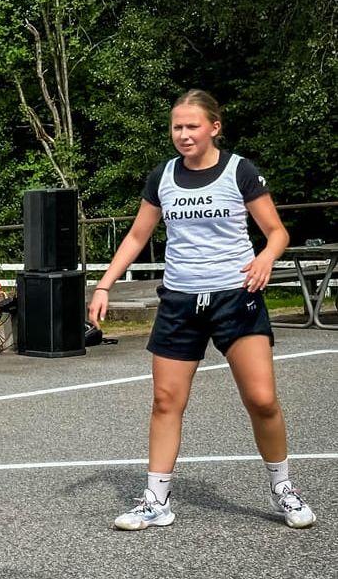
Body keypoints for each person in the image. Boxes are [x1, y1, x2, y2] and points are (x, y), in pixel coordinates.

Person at [89, 89, 316, 531]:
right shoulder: (163, 176)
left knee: (263, 400)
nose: (184, 134)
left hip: (236, 297)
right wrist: (104, 285)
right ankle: (156, 500)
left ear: (214, 127)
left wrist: (266, 257)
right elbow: (137, 237)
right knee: (165, 401)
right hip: (179, 301)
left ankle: (283, 487)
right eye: (177, 127)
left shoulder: (239, 171)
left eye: (192, 126)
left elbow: (277, 232)